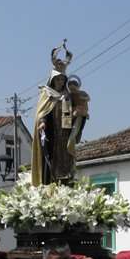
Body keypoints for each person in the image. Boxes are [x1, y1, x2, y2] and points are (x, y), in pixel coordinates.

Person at [31, 42, 79, 186]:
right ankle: (49, 183)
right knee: (50, 159)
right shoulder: (47, 94)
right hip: (52, 133)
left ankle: (65, 183)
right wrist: (43, 121)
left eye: (62, 79)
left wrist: (78, 115)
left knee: (65, 160)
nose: (60, 82)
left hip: (64, 134)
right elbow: (42, 111)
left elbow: (74, 112)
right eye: (57, 79)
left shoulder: (67, 95)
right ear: (53, 80)